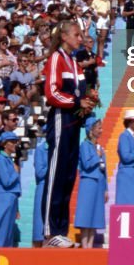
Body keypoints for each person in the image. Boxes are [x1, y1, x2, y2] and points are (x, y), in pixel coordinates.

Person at [42, 19, 92, 247]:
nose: (80, 39)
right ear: (64, 37)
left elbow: (82, 91)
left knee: (69, 175)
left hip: (75, 121)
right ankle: (50, 231)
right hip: (62, 119)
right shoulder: (56, 59)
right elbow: (52, 93)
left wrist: (89, 99)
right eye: (77, 34)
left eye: (81, 35)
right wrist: (76, 102)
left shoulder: (74, 62)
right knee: (57, 174)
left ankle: (61, 230)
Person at [74, 116, 107, 247]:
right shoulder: (84, 145)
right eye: (99, 128)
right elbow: (86, 164)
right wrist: (96, 157)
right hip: (88, 182)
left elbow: (105, 170)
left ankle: (90, 245)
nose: (101, 130)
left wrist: (106, 189)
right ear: (91, 130)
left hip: (99, 183)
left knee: (95, 214)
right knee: (86, 213)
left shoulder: (99, 147)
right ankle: (84, 244)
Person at [115, 112, 134, 205]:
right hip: (128, 176)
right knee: (126, 207)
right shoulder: (124, 136)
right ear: (128, 121)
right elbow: (125, 157)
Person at [32, 128, 48, 247]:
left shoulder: (58, 150)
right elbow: (40, 172)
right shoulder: (41, 149)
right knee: (40, 226)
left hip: (54, 189)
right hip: (43, 188)